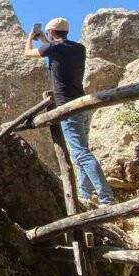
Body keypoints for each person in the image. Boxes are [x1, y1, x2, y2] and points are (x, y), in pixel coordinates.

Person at [24, 16, 115, 207]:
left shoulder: (54, 49)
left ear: (50, 32)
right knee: (81, 152)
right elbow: (55, 50)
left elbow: (27, 53)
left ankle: (106, 197)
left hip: (67, 107)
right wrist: (46, 39)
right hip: (83, 105)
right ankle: (85, 195)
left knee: (81, 154)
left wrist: (31, 36)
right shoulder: (78, 48)